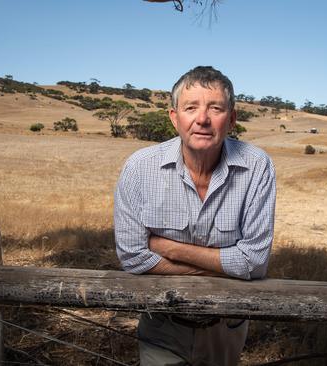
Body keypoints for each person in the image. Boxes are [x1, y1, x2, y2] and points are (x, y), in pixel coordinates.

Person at [114, 66, 276, 366]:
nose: (202, 119)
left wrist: (169, 248)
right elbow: (132, 257)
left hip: (226, 326)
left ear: (232, 119)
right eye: (191, 108)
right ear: (175, 118)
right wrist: (227, 266)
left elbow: (254, 261)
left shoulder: (257, 167)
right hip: (161, 323)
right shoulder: (139, 167)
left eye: (215, 108)